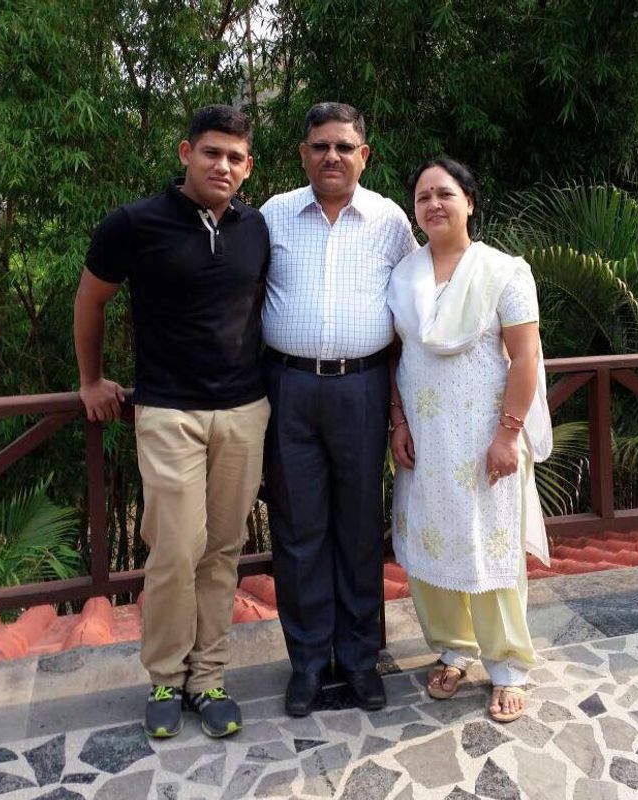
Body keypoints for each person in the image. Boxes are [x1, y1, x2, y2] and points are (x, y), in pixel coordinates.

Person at [73, 105, 270, 739]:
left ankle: (208, 678)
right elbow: (91, 301)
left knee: (222, 551)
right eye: (212, 152)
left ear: (248, 168)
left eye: (235, 157)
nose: (223, 166)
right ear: (186, 153)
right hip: (168, 411)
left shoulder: (256, 228)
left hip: (244, 410)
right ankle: (164, 675)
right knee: (175, 550)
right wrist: (90, 380)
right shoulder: (133, 223)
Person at [261, 102, 418, 716]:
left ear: (364, 156)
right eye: (321, 146)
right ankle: (306, 664)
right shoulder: (273, 213)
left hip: (363, 387)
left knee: (357, 527)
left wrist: (402, 410)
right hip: (289, 388)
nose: (332, 156)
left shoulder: (390, 220)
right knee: (297, 530)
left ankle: (358, 660)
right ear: (304, 154)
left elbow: (418, 301)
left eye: (344, 146)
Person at [387, 157, 552, 723]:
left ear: (470, 202)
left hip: (486, 437)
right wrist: (398, 422)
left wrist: (508, 435)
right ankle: (453, 650)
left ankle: (507, 665)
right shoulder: (404, 275)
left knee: (489, 546)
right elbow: (396, 355)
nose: (433, 204)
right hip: (424, 437)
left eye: (445, 194)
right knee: (430, 542)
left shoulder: (504, 271)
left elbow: (525, 357)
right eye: (423, 197)